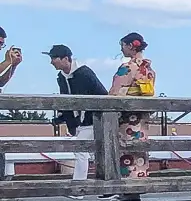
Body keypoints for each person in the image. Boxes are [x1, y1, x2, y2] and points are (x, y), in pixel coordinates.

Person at [48, 45, 104, 180]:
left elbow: (100, 95)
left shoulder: (84, 73)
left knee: (81, 150)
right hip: (78, 121)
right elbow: (65, 100)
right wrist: (63, 117)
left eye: (54, 58)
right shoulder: (61, 77)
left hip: (93, 118)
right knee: (88, 151)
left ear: (65, 58)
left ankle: (79, 186)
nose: (51, 62)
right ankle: (94, 184)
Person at [110, 32, 155, 178]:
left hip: (127, 117)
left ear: (130, 46)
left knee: (126, 149)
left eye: (122, 45)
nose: (122, 49)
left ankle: (127, 189)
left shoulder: (128, 68)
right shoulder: (149, 69)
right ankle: (140, 183)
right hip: (142, 116)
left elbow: (116, 92)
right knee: (140, 150)